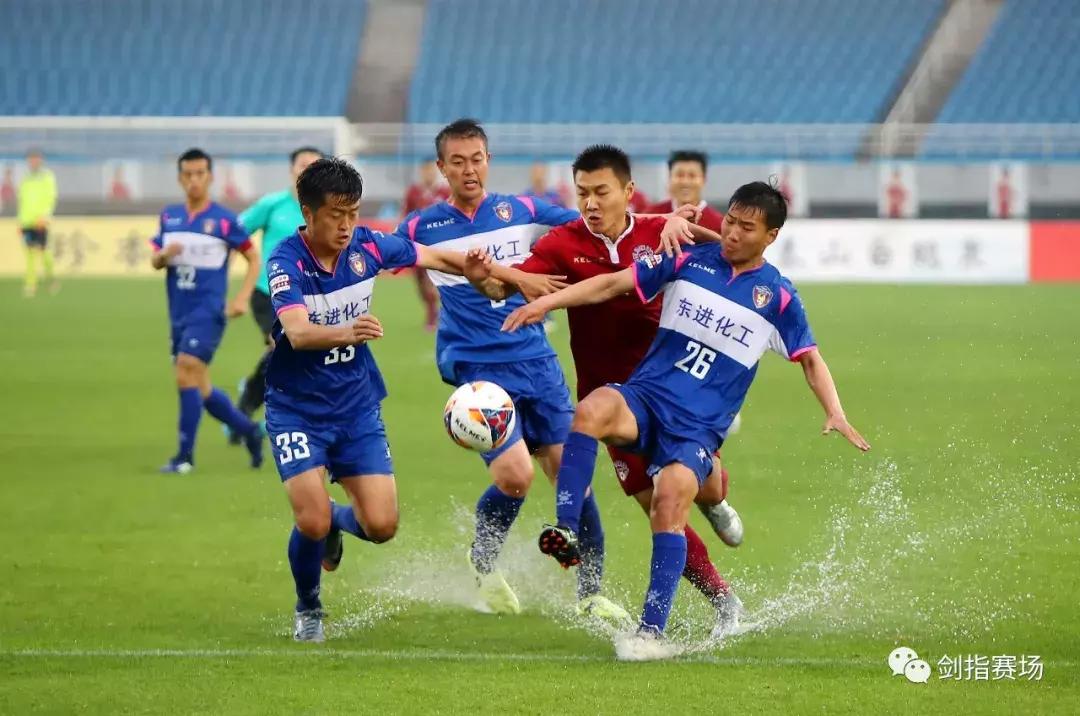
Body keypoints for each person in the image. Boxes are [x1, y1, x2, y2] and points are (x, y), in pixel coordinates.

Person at [503, 181, 871, 660]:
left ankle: (650, 631)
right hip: (648, 397)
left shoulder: (778, 298)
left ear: (772, 235)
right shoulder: (689, 259)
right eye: (731, 222)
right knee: (591, 409)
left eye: (747, 227)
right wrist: (545, 302)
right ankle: (567, 529)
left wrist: (835, 412)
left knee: (672, 501)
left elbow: (810, 359)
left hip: (697, 427)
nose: (733, 234)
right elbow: (614, 282)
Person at [465, 145, 745, 636]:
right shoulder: (563, 242)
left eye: (600, 192)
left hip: (674, 395)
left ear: (628, 192)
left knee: (705, 487)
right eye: (582, 193)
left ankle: (717, 500)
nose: (590, 203)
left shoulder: (659, 232)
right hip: (610, 401)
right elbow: (509, 289)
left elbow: (731, 252)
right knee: (657, 504)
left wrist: (692, 228)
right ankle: (725, 601)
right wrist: (483, 279)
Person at [263, 157, 535, 641]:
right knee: (309, 517)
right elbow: (298, 332)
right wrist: (349, 329)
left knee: (382, 526)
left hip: (355, 406)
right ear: (308, 213)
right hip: (296, 409)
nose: (346, 225)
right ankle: (308, 606)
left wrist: (476, 272)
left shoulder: (368, 245)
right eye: (334, 214)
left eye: (353, 212)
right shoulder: (286, 261)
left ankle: (332, 523)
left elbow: (430, 256)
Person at [394, 119, 627, 621]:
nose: (468, 169)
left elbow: (592, 221)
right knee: (517, 475)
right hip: (479, 371)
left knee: (573, 477)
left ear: (489, 160)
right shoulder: (422, 227)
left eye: (476, 158)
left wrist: (660, 222)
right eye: (457, 161)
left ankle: (590, 593)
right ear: (441, 168)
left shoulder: (521, 210)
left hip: (537, 362)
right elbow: (373, 255)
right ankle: (483, 562)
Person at [150, 148, 265, 474]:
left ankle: (184, 457)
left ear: (210, 177)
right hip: (178, 313)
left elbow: (253, 257)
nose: (194, 180)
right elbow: (155, 260)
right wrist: (164, 256)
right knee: (197, 385)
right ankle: (250, 431)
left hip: (208, 312)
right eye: (188, 174)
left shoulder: (225, 220)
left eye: (200, 173)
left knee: (186, 367)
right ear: (180, 178)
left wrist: (242, 298)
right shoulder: (169, 217)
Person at [230, 147, 324, 438]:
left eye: (314, 166)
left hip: (307, 295)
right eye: (302, 164)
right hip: (267, 290)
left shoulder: (325, 208)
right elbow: (234, 230)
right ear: (292, 169)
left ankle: (247, 402)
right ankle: (251, 409)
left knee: (295, 353)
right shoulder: (273, 205)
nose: (307, 170)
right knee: (281, 345)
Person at [402, 159, 450, 331]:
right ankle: (432, 310)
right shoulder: (414, 192)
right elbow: (405, 217)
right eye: (425, 170)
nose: (428, 173)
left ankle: (433, 317)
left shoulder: (445, 192)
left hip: (438, 246)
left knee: (432, 283)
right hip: (417, 245)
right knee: (420, 284)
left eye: (431, 170)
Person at [644, 150, 724, 232]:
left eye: (692, 176)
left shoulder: (719, 224)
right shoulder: (651, 215)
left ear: (704, 179)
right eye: (680, 175)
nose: (685, 182)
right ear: (669, 177)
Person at [17, 149, 58, 297]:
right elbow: (21, 201)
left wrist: (45, 215)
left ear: (40, 160)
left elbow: (51, 197)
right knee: (29, 253)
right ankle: (30, 284)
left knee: (43, 252)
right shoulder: (25, 179)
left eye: (35, 158)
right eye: (30, 159)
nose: (32, 161)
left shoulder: (47, 177)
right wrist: (20, 221)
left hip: (40, 221)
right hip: (26, 222)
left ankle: (50, 277)